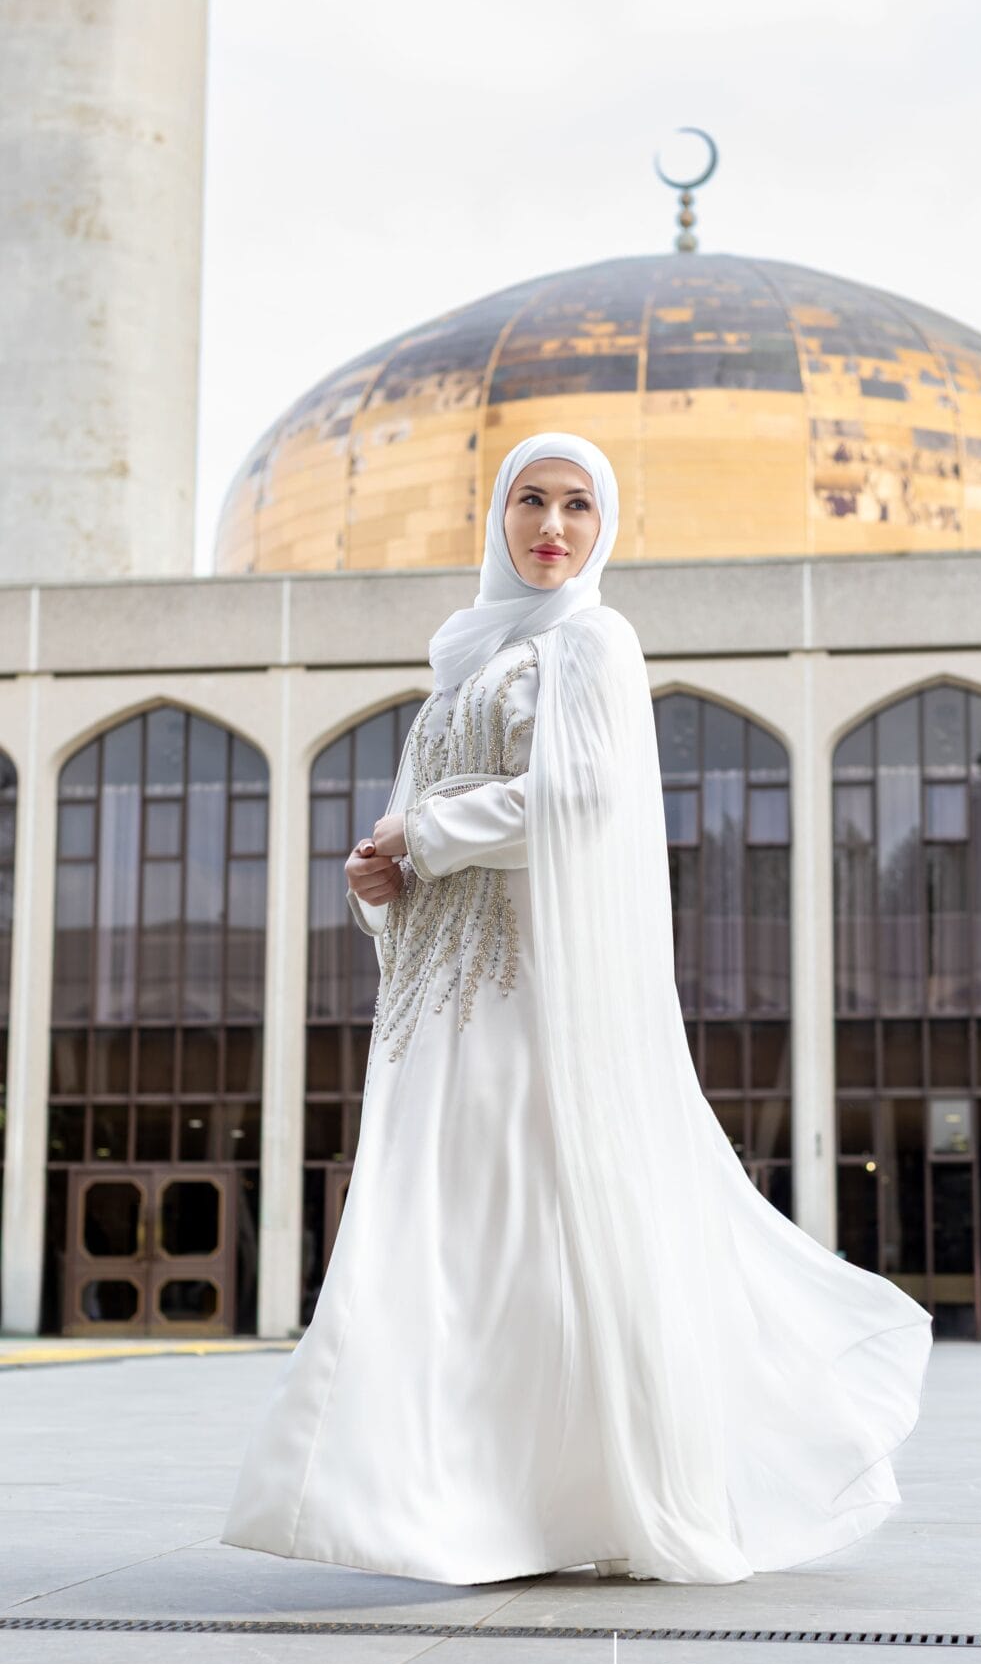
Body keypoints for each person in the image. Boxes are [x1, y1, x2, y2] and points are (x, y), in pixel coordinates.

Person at [220, 430, 934, 1587]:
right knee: (436, 1228)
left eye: (577, 508)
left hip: (528, 990)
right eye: (529, 503)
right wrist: (380, 874)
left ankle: (538, 1503)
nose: (551, 528)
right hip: (435, 1001)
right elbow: (417, 814)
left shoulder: (592, 641)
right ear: (494, 517)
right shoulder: (461, 659)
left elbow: (588, 793)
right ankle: (445, 1502)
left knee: (516, 1224)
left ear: (604, 529)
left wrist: (430, 833)